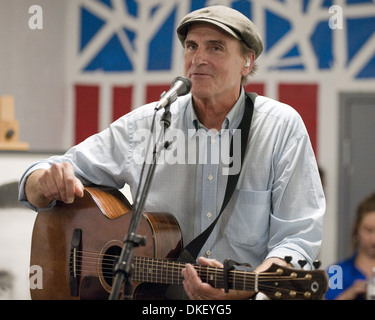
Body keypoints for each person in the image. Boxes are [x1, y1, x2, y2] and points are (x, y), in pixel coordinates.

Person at [19, 6, 325, 300]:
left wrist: (246, 287)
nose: (198, 59)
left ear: (247, 61)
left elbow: (297, 239)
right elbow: (44, 174)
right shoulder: (148, 124)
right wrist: (42, 184)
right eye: (191, 46)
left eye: (215, 48)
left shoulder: (281, 128)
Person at [325, 193, 375, 300]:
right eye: (368, 230)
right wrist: (347, 296)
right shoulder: (337, 272)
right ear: (357, 228)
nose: (373, 240)